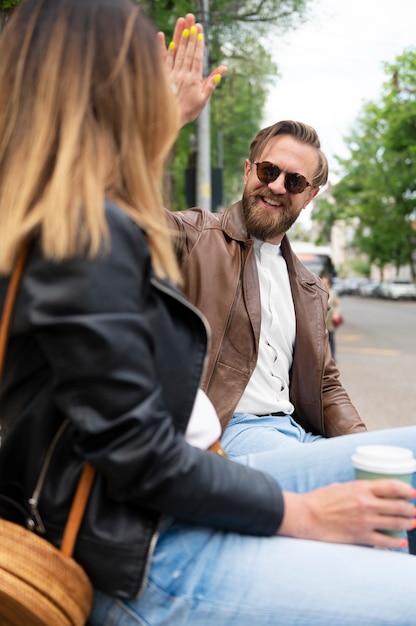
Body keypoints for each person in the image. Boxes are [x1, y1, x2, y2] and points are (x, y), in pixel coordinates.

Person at [1, 3, 416, 626]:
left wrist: (358, 446)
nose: (277, 186)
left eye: (294, 181)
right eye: (144, 70)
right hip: (145, 542)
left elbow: (324, 381)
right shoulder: (130, 235)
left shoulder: (65, 222)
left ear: (312, 195)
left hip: (172, 493)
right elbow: (140, 453)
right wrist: (307, 515)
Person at [321, 274, 343, 360]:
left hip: (330, 320)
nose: (324, 284)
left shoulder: (333, 294)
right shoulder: (317, 292)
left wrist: (336, 314)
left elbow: (337, 305)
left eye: (325, 283)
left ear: (329, 284)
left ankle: (332, 356)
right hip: (322, 320)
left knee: (331, 338)